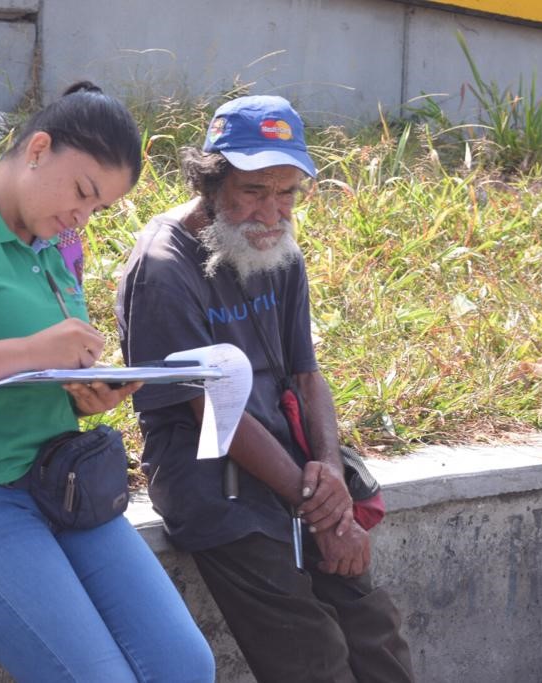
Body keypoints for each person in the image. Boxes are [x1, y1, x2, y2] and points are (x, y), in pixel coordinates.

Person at [0, 82, 215, 683]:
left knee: (185, 665)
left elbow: (27, 371)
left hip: (60, 487)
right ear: (38, 148)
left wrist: (82, 391)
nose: (82, 215)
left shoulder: (54, 247)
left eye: (97, 208)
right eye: (82, 191)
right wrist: (31, 350)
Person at [117, 95, 414, 683]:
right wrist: (321, 510)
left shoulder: (277, 247)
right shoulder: (163, 266)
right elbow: (213, 412)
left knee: (374, 628)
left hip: (296, 465)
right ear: (212, 179)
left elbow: (306, 374)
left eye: (287, 193)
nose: (272, 211)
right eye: (254, 190)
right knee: (311, 651)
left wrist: (328, 470)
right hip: (211, 475)